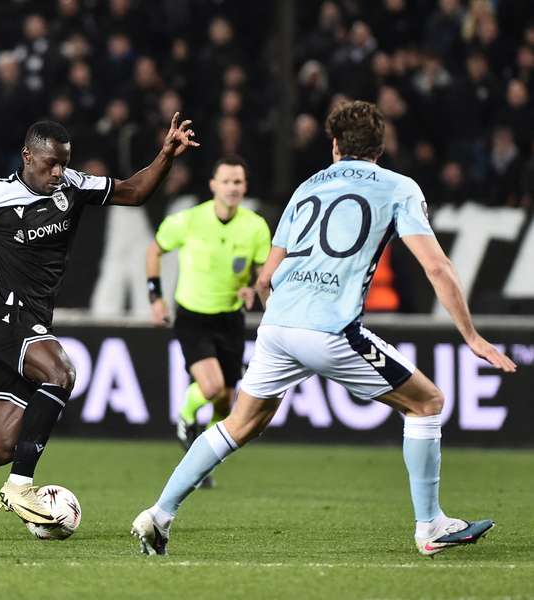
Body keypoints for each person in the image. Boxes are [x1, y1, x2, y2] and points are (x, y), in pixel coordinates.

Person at [131, 100, 517, 557]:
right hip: (331, 329)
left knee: (239, 423)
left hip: (277, 326)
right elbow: (437, 267)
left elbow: (266, 276)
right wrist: (471, 337)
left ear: (334, 145)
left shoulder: (307, 186)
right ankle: (430, 525)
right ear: (381, 147)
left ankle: (158, 514)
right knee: (427, 402)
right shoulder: (399, 187)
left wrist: (288, 319)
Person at [0, 114, 199, 533]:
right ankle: (21, 486)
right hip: (9, 317)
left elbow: (133, 191)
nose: (58, 172)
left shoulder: (72, 185)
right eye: (50, 164)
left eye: (63, 163)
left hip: (33, 320)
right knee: (61, 371)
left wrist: (165, 155)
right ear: (27, 157)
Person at [147, 155, 270, 489]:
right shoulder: (188, 221)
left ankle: (201, 465)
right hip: (193, 315)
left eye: (238, 182)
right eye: (226, 181)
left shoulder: (255, 226)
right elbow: (154, 250)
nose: (232, 188)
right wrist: (155, 298)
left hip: (230, 317)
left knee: (225, 401)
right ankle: (186, 417)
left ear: (244, 187)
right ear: (213, 185)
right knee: (212, 386)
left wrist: (252, 288)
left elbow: (260, 272)